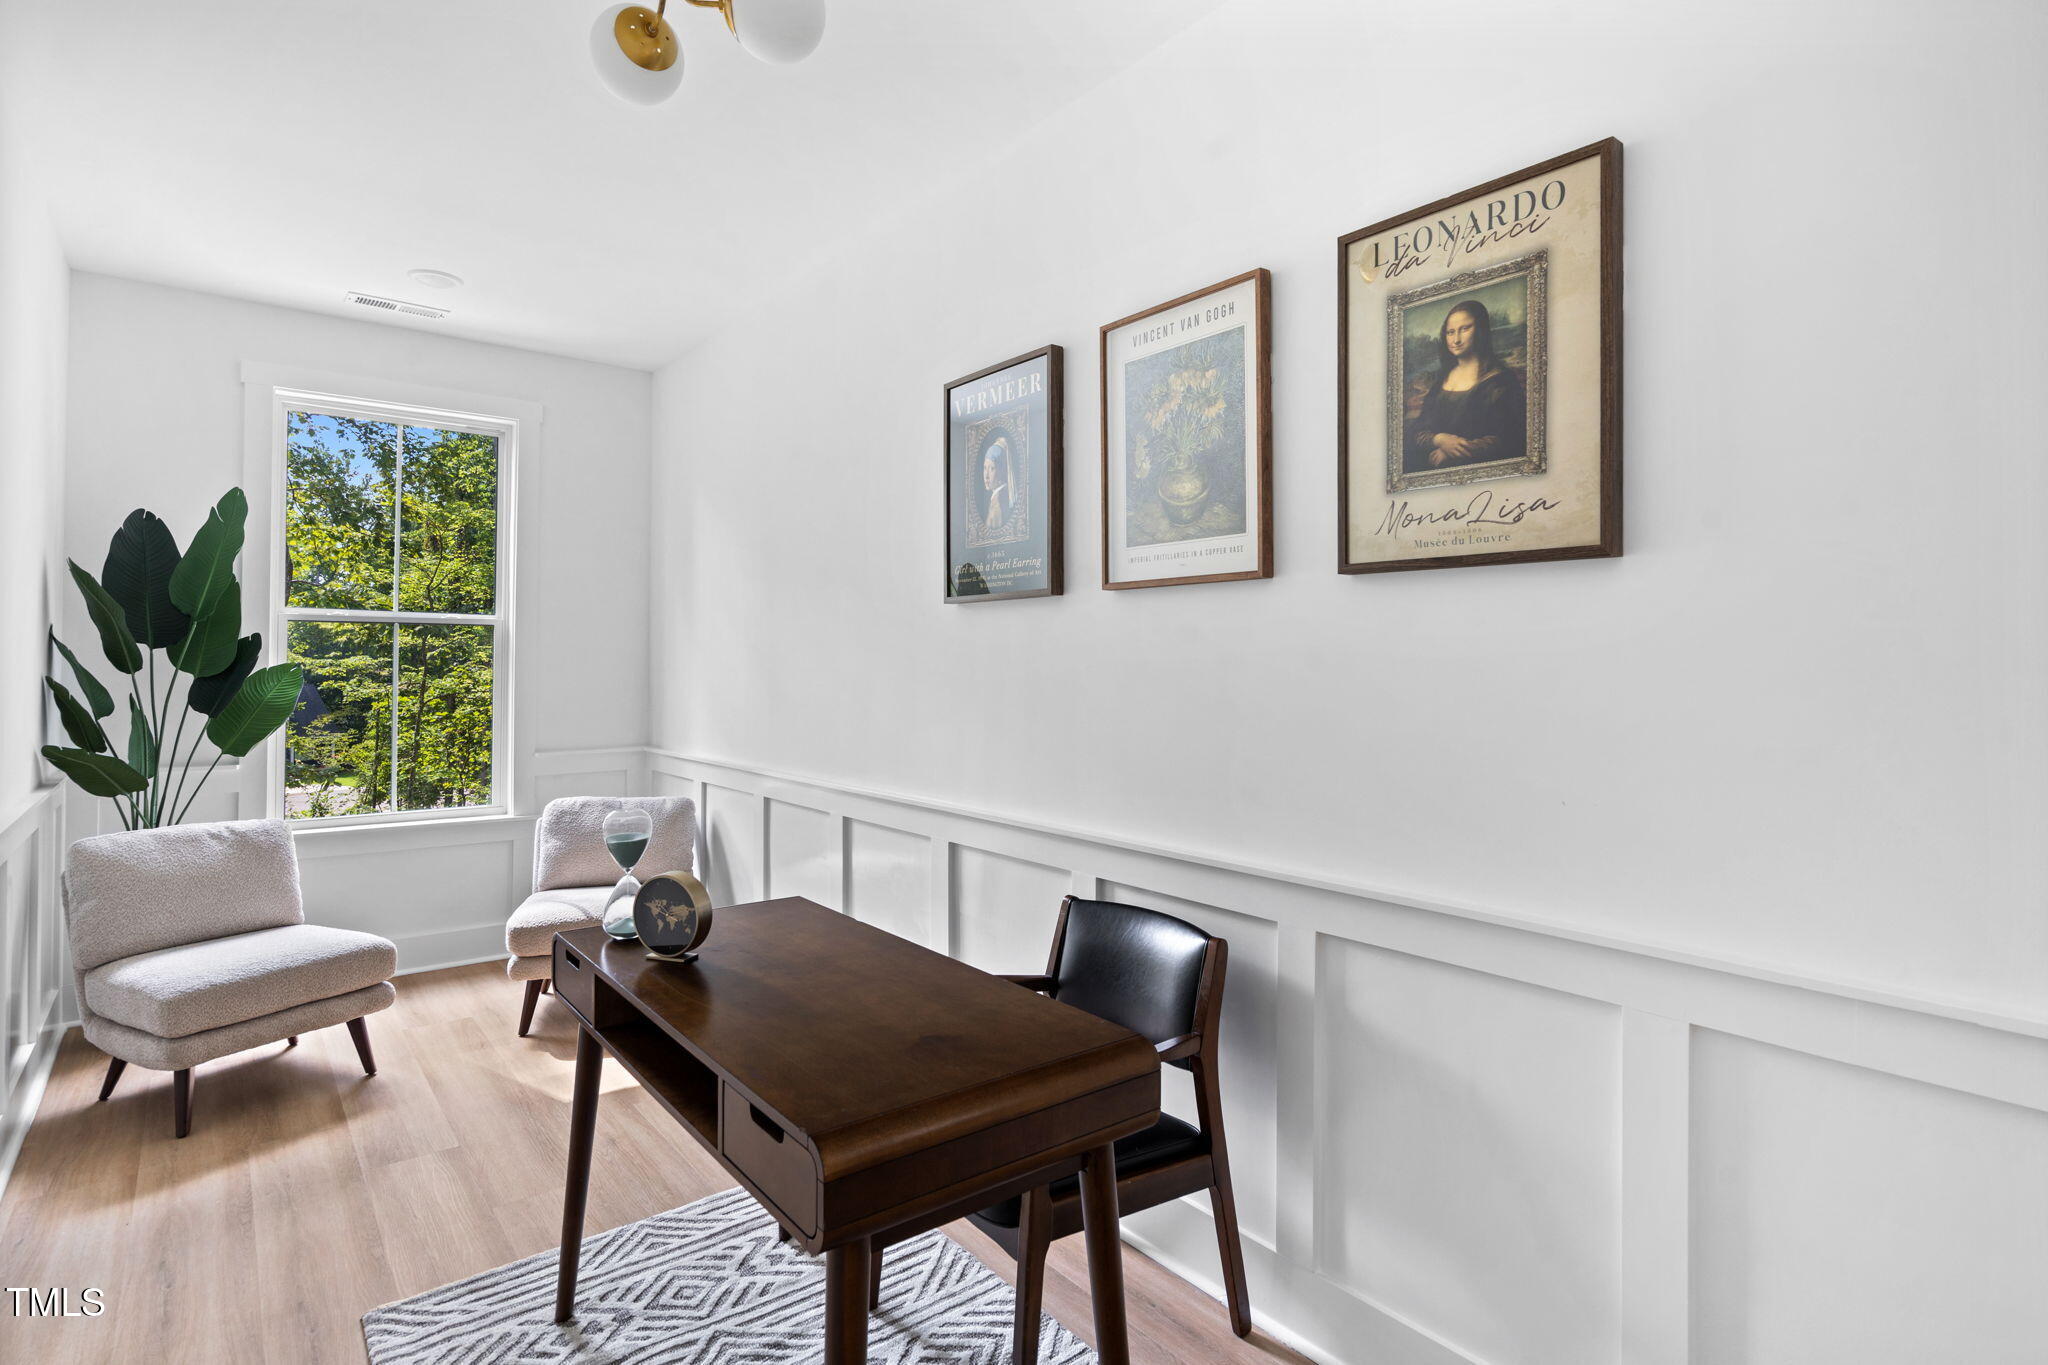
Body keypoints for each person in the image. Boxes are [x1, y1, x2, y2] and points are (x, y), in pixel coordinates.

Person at [1405, 300, 1526, 473]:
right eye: (1450, 332)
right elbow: (1418, 430)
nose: (1456, 339)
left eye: (1465, 329)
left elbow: (1511, 438)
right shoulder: (1441, 380)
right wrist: (1439, 440)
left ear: (1481, 331)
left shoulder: (1500, 381)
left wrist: (1455, 451)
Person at [981, 435, 1014, 531]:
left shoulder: (998, 502)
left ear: (1002, 471)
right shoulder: (996, 497)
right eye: (985, 468)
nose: (986, 476)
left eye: (992, 468)